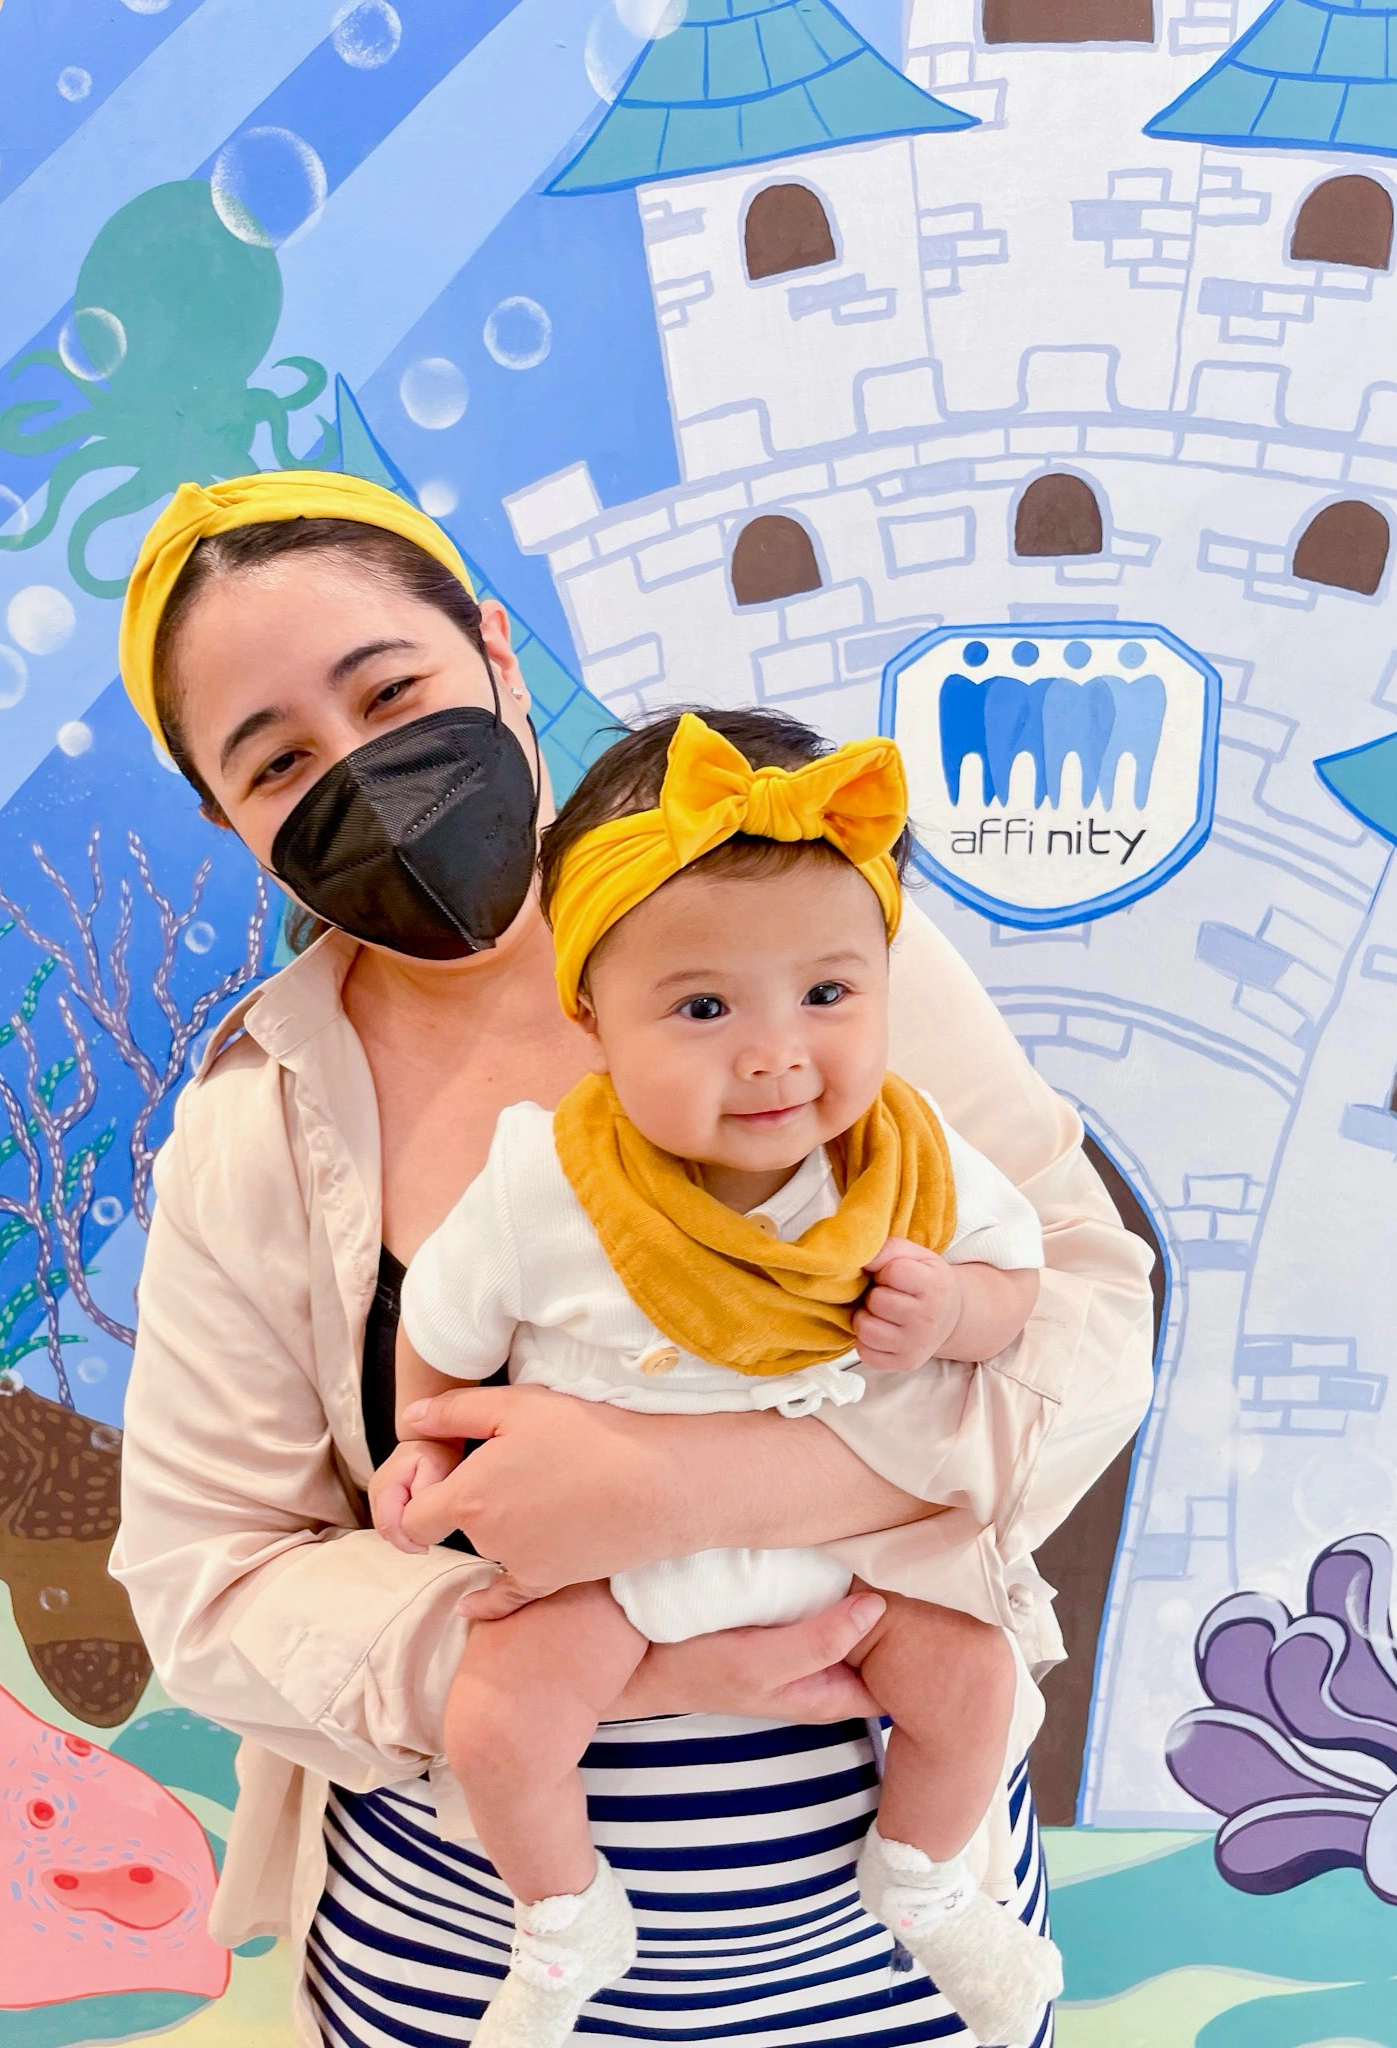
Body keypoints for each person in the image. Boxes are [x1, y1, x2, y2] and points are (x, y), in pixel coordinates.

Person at [110, 469, 1156, 2048]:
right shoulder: (256, 1129)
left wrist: (685, 1497)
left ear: (498, 653)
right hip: (461, 1972)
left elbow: (1084, 1315)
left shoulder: (806, 946)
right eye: (277, 762)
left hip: (895, 1976)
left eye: (393, 691)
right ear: (224, 815)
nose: (367, 776)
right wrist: (572, 1662)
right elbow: (212, 1582)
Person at [375, 707, 1063, 2048]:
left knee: (976, 1676)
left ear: (884, 980)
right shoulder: (542, 1184)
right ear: (591, 1014)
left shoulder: (910, 1167)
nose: (774, 1052)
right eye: (701, 1006)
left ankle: (925, 1882)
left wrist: (957, 1311)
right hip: (613, 1576)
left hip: (858, 1567)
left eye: (826, 992)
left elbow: (1028, 1295)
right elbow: (443, 1341)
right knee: (500, 1719)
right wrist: (424, 1452)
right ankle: (566, 1922)